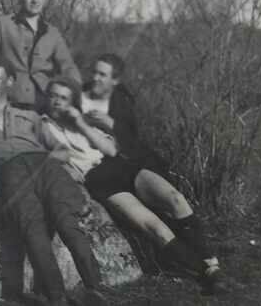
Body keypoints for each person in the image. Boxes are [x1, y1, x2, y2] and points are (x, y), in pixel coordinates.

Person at [49, 74, 223, 295]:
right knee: (154, 228)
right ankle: (207, 274)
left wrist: (80, 123)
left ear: (71, 101)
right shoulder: (43, 126)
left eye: (63, 98)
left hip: (120, 166)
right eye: (53, 96)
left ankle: (212, 263)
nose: (57, 101)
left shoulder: (83, 122)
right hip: (98, 180)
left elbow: (111, 149)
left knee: (175, 199)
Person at [0, 58, 108, 306]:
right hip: (11, 172)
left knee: (67, 223)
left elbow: (61, 150)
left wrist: (49, 163)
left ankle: (96, 290)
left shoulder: (29, 115)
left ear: (10, 82)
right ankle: (56, 297)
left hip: (44, 165)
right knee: (32, 228)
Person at [0, 0, 81, 110]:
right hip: (10, 99)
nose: (35, 0)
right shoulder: (3, 24)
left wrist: (77, 93)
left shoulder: (52, 32)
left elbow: (67, 65)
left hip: (42, 102)